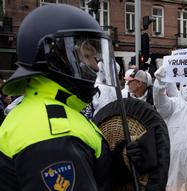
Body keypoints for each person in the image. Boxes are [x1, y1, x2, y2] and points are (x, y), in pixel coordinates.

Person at [0, 4, 115, 190]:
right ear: (55, 57)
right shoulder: (53, 134)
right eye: (86, 56)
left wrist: (117, 164)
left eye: (97, 58)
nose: (96, 67)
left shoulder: (46, 113)